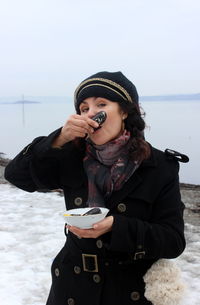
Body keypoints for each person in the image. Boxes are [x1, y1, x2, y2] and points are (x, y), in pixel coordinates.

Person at [5, 71, 188, 305]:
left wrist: (116, 227)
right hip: (71, 287)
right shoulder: (72, 157)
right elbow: (16, 176)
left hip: (128, 291)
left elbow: (173, 241)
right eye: (83, 108)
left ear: (124, 111)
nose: (90, 112)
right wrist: (58, 139)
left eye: (101, 104)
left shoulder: (159, 166)